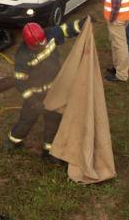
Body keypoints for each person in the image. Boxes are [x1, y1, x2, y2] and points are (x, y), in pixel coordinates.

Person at [5, 17, 85, 163]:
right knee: (27, 120)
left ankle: (49, 152)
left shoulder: (49, 34)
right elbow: (21, 83)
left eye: (43, 41)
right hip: (35, 95)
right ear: (29, 44)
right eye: (38, 45)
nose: (42, 45)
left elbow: (66, 30)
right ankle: (12, 141)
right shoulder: (22, 57)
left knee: (53, 120)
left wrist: (81, 23)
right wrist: (34, 101)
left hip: (53, 89)